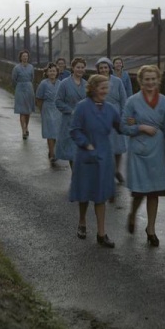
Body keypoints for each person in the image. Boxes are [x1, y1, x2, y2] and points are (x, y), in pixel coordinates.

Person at [121, 65, 165, 247]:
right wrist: (140, 127)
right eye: (147, 79)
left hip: (157, 151)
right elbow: (124, 126)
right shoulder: (132, 101)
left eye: (153, 79)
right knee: (140, 192)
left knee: (154, 192)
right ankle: (132, 214)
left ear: (158, 80)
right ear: (141, 81)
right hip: (139, 152)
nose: (150, 82)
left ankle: (151, 229)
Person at [69, 74, 121, 248]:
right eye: (102, 88)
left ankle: (101, 233)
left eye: (107, 88)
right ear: (92, 89)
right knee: (84, 193)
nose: (105, 91)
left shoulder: (111, 109)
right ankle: (82, 221)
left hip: (104, 157)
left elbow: (121, 127)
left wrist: (136, 126)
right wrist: (86, 144)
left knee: (101, 196)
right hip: (86, 156)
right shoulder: (82, 107)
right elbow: (74, 130)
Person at [95, 57, 128, 185]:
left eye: (106, 67)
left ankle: (116, 170)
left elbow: (123, 100)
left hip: (116, 114)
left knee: (118, 145)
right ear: (98, 70)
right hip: (101, 114)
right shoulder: (95, 82)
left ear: (110, 68)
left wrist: (123, 116)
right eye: (101, 68)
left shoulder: (117, 82)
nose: (104, 70)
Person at [55, 57, 88, 168]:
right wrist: (71, 110)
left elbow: (91, 101)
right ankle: (75, 175)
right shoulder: (64, 83)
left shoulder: (87, 85)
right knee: (72, 151)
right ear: (73, 68)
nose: (80, 69)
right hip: (69, 121)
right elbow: (58, 101)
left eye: (82, 67)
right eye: (78, 67)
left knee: (82, 149)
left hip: (83, 122)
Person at [35, 62, 62, 163]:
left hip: (58, 109)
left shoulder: (61, 83)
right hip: (47, 108)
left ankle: (53, 149)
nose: (52, 73)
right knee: (50, 131)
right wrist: (42, 110)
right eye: (50, 71)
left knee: (56, 131)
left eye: (54, 71)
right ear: (46, 72)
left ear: (57, 72)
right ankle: (52, 153)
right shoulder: (43, 84)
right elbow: (39, 98)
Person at [12, 50, 35, 139]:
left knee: (28, 111)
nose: (25, 58)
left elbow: (32, 78)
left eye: (26, 56)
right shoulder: (16, 68)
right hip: (20, 88)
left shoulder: (31, 67)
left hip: (29, 88)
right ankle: (23, 130)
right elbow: (14, 79)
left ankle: (26, 126)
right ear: (20, 57)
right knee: (22, 110)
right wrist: (18, 86)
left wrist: (28, 84)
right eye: (23, 56)